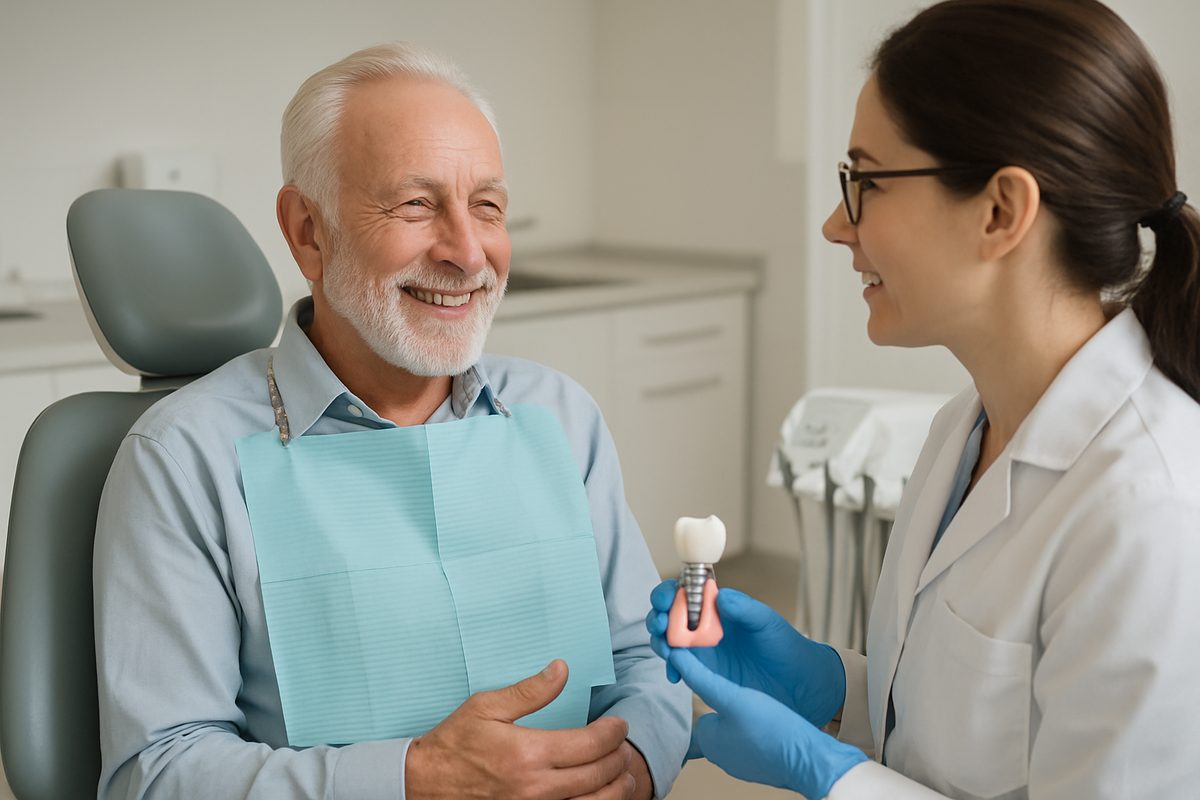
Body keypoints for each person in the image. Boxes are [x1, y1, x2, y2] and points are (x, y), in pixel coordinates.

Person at [94, 43, 690, 800]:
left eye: (487, 206)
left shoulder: (559, 417)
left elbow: (644, 658)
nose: (468, 252)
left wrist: (636, 763)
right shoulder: (183, 456)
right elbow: (157, 773)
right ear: (308, 230)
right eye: (416, 205)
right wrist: (413, 779)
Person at [648, 0, 1200, 796]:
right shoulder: (965, 428)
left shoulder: (1153, 509)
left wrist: (834, 778)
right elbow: (975, 734)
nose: (838, 225)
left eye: (865, 182)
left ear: (1001, 211)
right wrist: (838, 690)